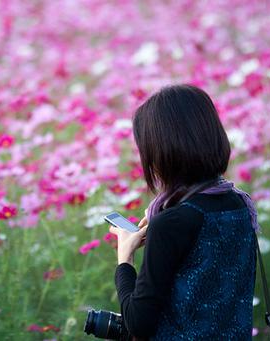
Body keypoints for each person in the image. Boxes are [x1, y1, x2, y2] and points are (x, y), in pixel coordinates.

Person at [108, 83, 259, 340]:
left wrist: (125, 259)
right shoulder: (240, 205)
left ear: (162, 152)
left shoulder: (171, 223)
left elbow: (138, 324)